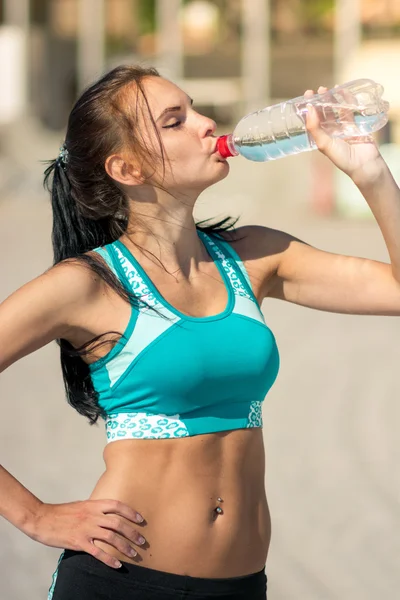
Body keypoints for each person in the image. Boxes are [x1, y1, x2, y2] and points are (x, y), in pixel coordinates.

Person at [0, 65, 399, 600]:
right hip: (122, 582)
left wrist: (369, 171)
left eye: (195, 108)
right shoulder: (88, 284)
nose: (207, 123)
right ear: (128, 167)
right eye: (175, 120)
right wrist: (36, 515)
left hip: (240, 587)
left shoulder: (255, 257)